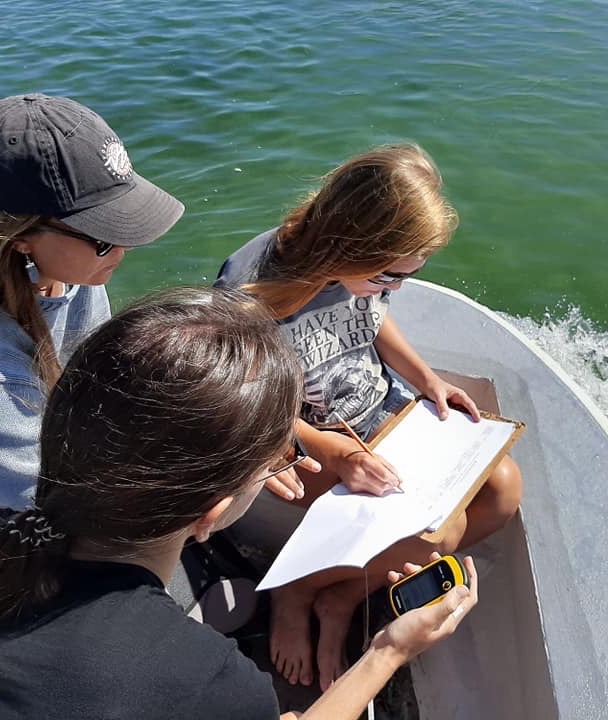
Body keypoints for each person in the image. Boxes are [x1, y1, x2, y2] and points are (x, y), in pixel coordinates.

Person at [0, 286, 478, 720]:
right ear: (211, 512)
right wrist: (387, 650)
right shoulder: (198, 680)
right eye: (279, 462)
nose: (290, 465)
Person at [214, 143, 521, 690]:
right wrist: (332, 449)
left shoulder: (363, 275)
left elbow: (375, 319)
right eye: (388, 276)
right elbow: (245, 397)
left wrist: (428, 380)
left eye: (409, 275)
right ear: (347, 244)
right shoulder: (249, 288)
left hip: (382, 415)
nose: (396, 289)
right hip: (305, 445)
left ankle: (338, 596)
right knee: (438, 531)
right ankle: (298, 591)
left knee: (504, 487)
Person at [0, 93, 184, 515]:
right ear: (19, 236)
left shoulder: (68, 262)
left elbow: (93, 374)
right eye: (105, 236)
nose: (123, 249)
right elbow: (57, 501)